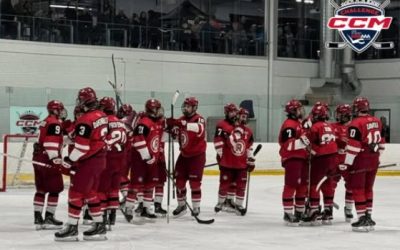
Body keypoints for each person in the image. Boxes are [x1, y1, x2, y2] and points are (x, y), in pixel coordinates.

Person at [55, 87, 108, 241]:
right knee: (90, 193)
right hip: (100, 159)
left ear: (84, 101)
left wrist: (69, 161)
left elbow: (82, 147)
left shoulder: (85, 120)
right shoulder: (102, 115)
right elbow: (93, 138)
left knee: (76, 193)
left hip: (89, 161)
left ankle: (72, 227)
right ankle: (99, 224)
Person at [341, 97, 384, 232]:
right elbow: (381, 144)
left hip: (361, 159)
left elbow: (353, 147)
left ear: (356, 109)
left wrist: (347, 164)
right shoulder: (377, 121)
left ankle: (361, 218)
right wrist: (376, 157)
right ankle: (368, 216)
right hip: (374, 159)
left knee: (358, 189)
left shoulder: (355, 123)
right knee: (368, 188)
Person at [123, 99, 164, 221]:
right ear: (152, 110)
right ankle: (128, 208)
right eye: (157, 108)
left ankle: (146, 209)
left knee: (150, 185)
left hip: (152, 160)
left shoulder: (156, 122)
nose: (159, 110)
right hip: (141, 160)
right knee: (135, 185)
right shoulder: (144, 123)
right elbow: (138, 140)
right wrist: (147, 156)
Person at [166, 97, 207, 217]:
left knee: (194, 183)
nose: (185, 108)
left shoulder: (199, 119)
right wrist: (172, 129)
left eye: (188, 106)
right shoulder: (182, 119)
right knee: (179, 181)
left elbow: (199, 129)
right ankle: (182, 205)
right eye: (185, 106)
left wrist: (182, 124)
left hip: (197, 156)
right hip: (183, 156)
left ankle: (196, 207)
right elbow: (176, 133)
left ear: (194, 108)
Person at [214, 104, 254, 215]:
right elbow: (220, 141)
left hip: (241, 164)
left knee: (240, 185)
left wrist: (250, 160)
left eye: (245, 117)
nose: (243, 119)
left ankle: (237, 204)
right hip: (228, 162)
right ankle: (222, 202)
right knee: (225, 183)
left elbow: (249, 147)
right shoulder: (227, 127)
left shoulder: (248, 132)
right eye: (242, 116)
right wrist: (221, 155)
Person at [32, 100, 65, 230]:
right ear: (55, 110)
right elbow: (50, 143)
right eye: (60, 109)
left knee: (40, 189)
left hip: (38, 159)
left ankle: (38, 218)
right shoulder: (54, 123)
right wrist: (55, 159)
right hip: (48, 160)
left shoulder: (44, 121)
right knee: (55, 189)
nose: (62, 112)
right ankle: (49, 218)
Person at [98, 97, 127, 229]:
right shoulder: (121, 122)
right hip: (120, 160)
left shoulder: (103, 121)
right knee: (114, 189)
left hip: (107, 159)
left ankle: (103, 217)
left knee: (102, 189)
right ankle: (112, 216)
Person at [278, 99, 309, 226]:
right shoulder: (289, 124)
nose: (301, 111)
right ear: (292, 111)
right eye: (298, 109)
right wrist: (304, 142)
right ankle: (288, 213)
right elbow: (288, 145)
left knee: (302, 186)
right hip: (292, 159)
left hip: (302, 158)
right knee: (291, 186)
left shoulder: (298, 123)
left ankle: (299, 212)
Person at [308, 104, 338, 225]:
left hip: (321, 159)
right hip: (333, 159)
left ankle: (315, 212)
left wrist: (311, 151)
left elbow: (309, 143)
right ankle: (328, 212)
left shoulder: (315, 127)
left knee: (314, 185)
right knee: (328, 186)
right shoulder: (330, 126)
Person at [331, 104, 354, 222]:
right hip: (335, 160)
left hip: (349, 160)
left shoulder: (354, 127)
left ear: (346, 115)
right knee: (331, 184)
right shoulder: (332, 126)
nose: (338, 116)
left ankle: (348, 208)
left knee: (351, 185)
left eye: (340, 114)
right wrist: (336, 141)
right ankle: (328, 207)